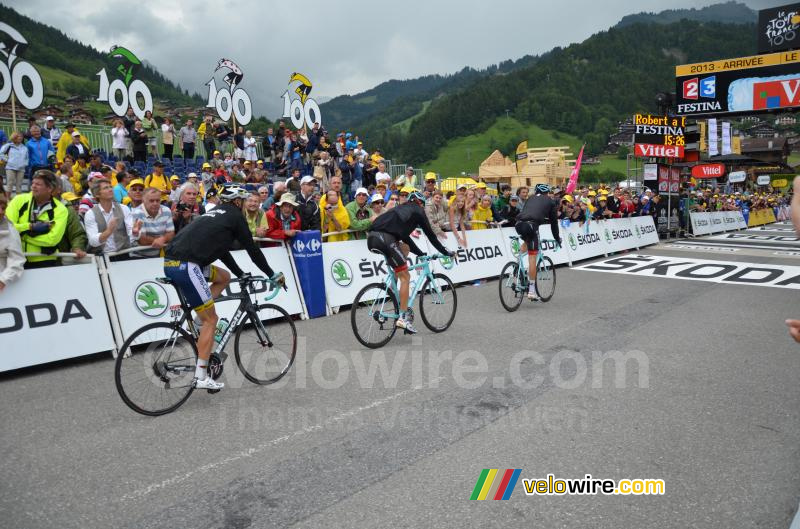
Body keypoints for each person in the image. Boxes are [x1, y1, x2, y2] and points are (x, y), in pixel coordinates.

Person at [162, 185, 285, 390]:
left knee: (224, 277)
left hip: (172, 263)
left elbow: (221, 251)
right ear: (237, 202)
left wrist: (239, 274)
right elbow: (253, 250)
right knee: (212, 319)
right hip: (188, 267)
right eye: (244, 201)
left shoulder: (215, 214)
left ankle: (199, 318)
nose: (245, 204)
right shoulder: (235, 217)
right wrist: (272, 274)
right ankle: (201, 376)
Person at [368, 191, 454, 333]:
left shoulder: (401, 210)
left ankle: (393, 292)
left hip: (372, 238)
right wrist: (446, 252)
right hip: (385, 239)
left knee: (404, 249)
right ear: (420, 203)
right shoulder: (418, 211)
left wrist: (420, 253)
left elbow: (406, 238)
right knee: (406, 276)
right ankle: (402, 318)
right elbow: (431, 236)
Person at [6, 170, 69, 268]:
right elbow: (7, 227)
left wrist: (22, 235)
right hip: (16, 258)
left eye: (38, 184)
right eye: (33, 183)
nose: (33, 186)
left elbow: (52, 240)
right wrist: (30, 227)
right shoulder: (18, 200)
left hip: (45, 261)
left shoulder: (61, 210)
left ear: (49, 188)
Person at [515, 183, 561, 301]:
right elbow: (554, 224)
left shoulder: (530, 198)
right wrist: (557, 238)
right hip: (532, 226)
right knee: (532, 258)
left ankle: (518, 262)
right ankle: (531, 291)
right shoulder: (550, 202)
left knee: (527, 240)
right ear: (547, 193)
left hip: (519, 224)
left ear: (536, 192)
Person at [85, 178, 138, 257]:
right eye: (106, 188)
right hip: (101, 258)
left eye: (111, 187)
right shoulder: (90, 214)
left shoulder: (124, 208)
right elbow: (93, 241)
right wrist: (108, 231)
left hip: (123, 254)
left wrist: (135, 232)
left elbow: (131, 233)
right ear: (97, 194)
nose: (110, 189)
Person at [132, 188, 175, 257]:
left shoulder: (166, 210)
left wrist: (162, 239)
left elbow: (171, 233)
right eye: (151, 201)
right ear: (143, 201)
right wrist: (161, 240)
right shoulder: (137, 213)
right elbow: (142, 240)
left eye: (158, 200)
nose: (155, 203)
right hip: (140, 256)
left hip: (161, 255)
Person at [0, 193, 25, 292]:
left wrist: (3, 280)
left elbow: (17, 260)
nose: (1, 212)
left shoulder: (10, 231)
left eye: (3, 208)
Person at [1, 132, 29, 197]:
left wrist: (25, 164)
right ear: (14, 137)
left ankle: (18, 200)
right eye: (18, 136)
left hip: (21, 168)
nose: (20, 138)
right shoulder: (8, 146)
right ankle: (7, 200)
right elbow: (1, 153)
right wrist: (7, 160)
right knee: (10, 183)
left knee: (19, 185)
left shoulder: (24, 147)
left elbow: (27, 158)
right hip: (10, 167)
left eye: (21, 136)